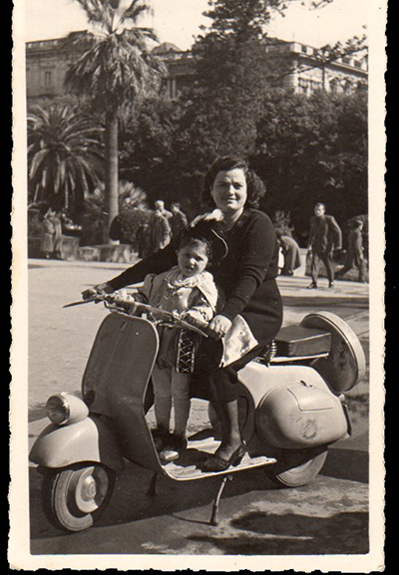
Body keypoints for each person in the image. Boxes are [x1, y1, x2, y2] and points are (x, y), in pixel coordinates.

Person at [82, 156, 283, 472]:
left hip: (254, 311)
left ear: (249, 189)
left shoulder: (258, 224)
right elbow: (162, 259)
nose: (229, 191)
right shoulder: (204, 226)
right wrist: (110, 284)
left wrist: (227, 316)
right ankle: (154, 430)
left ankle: (232, 440)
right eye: (222, 185)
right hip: (208, 310)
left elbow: (251, 276)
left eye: (237, 185)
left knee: (219, 358)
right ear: (211, 189)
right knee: (157, 354)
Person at [120, 229, 224, 462]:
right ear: (177, 253)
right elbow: (144, 298)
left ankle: (179, 435)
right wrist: (129, 300)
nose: (191, 262)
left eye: (199, 258)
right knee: (160, 390)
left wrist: (195, 315)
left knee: (179, 390)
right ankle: (162, 430)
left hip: (183, 342)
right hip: (156, 338)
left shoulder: (203, 283)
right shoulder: (163, 278)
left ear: (207, 262)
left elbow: (207, 308)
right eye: (187, 255)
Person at [307, 202, 342, 289]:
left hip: (327, 246)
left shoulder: (329, 219)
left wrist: (338, 244)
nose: (317, 211)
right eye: (315, 209)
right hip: (316, 246)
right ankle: (314, 282)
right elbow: (312, 233)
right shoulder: (312, 220)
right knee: (314, 264)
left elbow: (337, 231)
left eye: (319, 210)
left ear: (323, 211)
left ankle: (331, 281)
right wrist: (309, 244)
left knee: (328, 265)